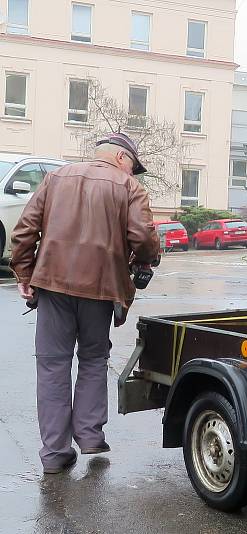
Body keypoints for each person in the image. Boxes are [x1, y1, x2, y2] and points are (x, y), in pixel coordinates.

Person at [11, 132, 159, 475]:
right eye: (132, 166)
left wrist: (24, 274)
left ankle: (54, 454)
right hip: (101, 288)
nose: (132, 173)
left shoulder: (55, 178)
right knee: (94, 358)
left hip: (52, 285)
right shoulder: (128, 188)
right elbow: (142, 236)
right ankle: (90, 434)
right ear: (122, 158)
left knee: (52, 365)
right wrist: (146, 260)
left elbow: (24, 232)